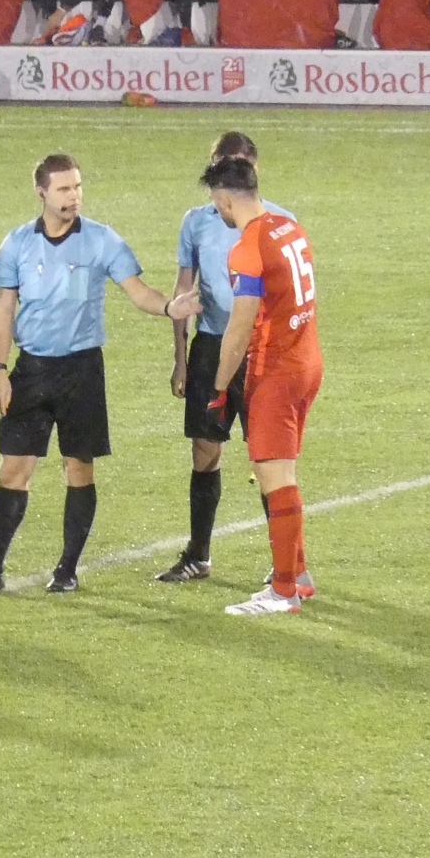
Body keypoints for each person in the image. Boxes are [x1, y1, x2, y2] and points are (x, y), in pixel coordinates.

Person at [0, 154, 200, 596]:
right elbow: (3, 311)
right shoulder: (16, 245)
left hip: (82, 371)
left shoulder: (102, 240)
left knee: (79, 468)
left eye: (77, 187)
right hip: (32, 370)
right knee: (12, 470)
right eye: (63, 189)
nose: (73, 196)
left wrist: (170, 307)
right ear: (41, 192)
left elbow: (137, 291)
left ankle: (67, 569)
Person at [156, 133, 299, 588]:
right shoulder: (196, 222)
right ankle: (198, 554)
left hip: (260, 352)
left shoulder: (279, 223)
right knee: (205, 450)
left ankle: (286, 566)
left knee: (269, 460)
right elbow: (183, 290)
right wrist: (181, 358)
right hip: (211, 347)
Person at [201, 157, 324, 617]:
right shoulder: (290, 228)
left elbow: (240, 326)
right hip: (307, 360)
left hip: (278, 371)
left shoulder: (247, 248)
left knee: (275, 476)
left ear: (224, 197)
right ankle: (298, 573)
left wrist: (219, 387)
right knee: (281, 469)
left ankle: (284, 591)